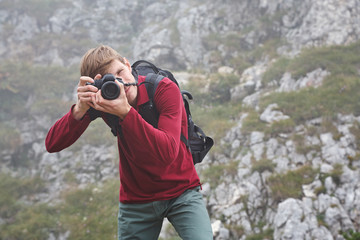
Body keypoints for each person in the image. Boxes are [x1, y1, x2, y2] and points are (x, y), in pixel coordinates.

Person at [45, 45, 213, 239]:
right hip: (137, 200)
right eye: (111, 80)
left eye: (120, 72)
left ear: (127, 63)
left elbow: (167, 153)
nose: (121, 83)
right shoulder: (105, 99)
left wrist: (125, 112)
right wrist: (80, 109)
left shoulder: (162, 88)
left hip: (182, 191)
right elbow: (52, 144)